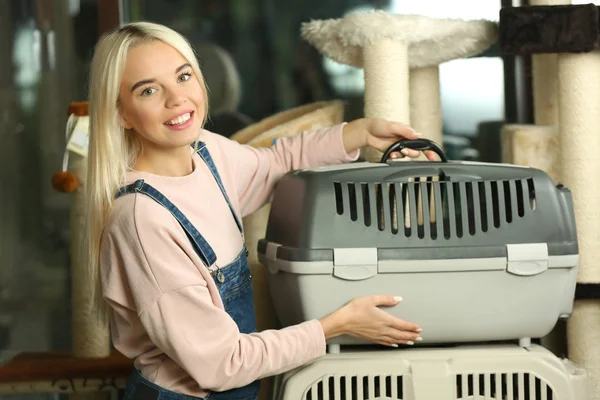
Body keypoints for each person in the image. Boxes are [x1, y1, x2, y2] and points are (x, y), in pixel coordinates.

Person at [85, 21, 434, 400]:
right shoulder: (143, 220)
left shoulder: (206, 152)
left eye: (183, 76)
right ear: (121, 113)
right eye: (149, 90)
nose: (176, 99)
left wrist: (362, 132)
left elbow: (274, 163)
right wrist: (335, 326)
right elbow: (221, 364)